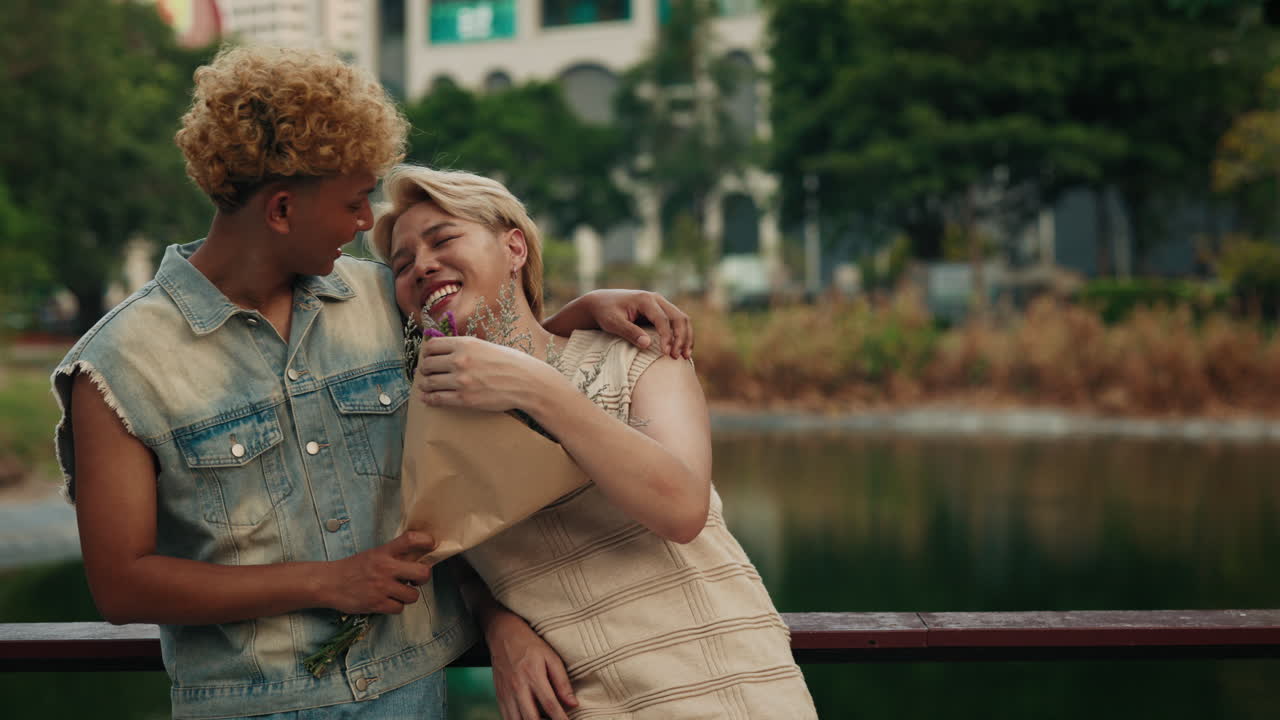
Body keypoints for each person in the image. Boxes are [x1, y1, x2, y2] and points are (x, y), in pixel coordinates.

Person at [51, 45, 691, 720]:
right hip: (246, 706)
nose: (365, 224)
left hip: (414, 695)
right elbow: (123, 585)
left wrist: (583, 313)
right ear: (280, 210)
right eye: (354, 201)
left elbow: (488, 350)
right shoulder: (117, 366)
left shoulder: (385, 300)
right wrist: (328, 583)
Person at [371, 165, 818, 720]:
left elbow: (680, 507)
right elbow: (449, 557)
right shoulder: (432, 425)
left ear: (514, 248)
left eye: (442, 239)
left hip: (727, 690)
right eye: (403, 263)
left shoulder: (631, 351)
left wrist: (536, 386)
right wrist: (498, 624)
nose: (424, 266)